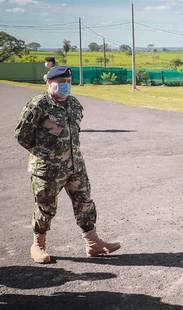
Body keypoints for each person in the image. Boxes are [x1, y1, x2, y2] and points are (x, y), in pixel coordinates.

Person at [15, 66, 121, 264]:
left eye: (68, 82)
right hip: (47, 169)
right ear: (49, 82)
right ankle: (38, 244)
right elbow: (22, 136)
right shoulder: (38, 105)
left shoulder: (73, 104)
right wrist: (45, 155)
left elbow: (75, 133)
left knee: (85, 203)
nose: (65, 86)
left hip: (75, 166)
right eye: (61, 82)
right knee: (46, 207)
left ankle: (93, 243)